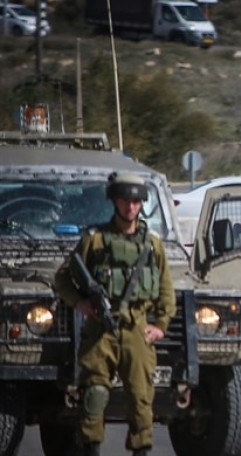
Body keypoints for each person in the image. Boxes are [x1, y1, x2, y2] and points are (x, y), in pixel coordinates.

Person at [55, 173, 175, 456]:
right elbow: (63, 278)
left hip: (137, 330)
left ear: (141, 204)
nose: (130, 207)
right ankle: (91, 448)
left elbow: (166, 290)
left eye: (135, 201)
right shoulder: (95, 241)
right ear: (115, 201)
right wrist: (80, 303)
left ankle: (141, 450)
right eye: (124, 200)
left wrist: (161, 325)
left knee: (141, 399)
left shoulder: (152, 244)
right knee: (94, 395)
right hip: (100, 332)